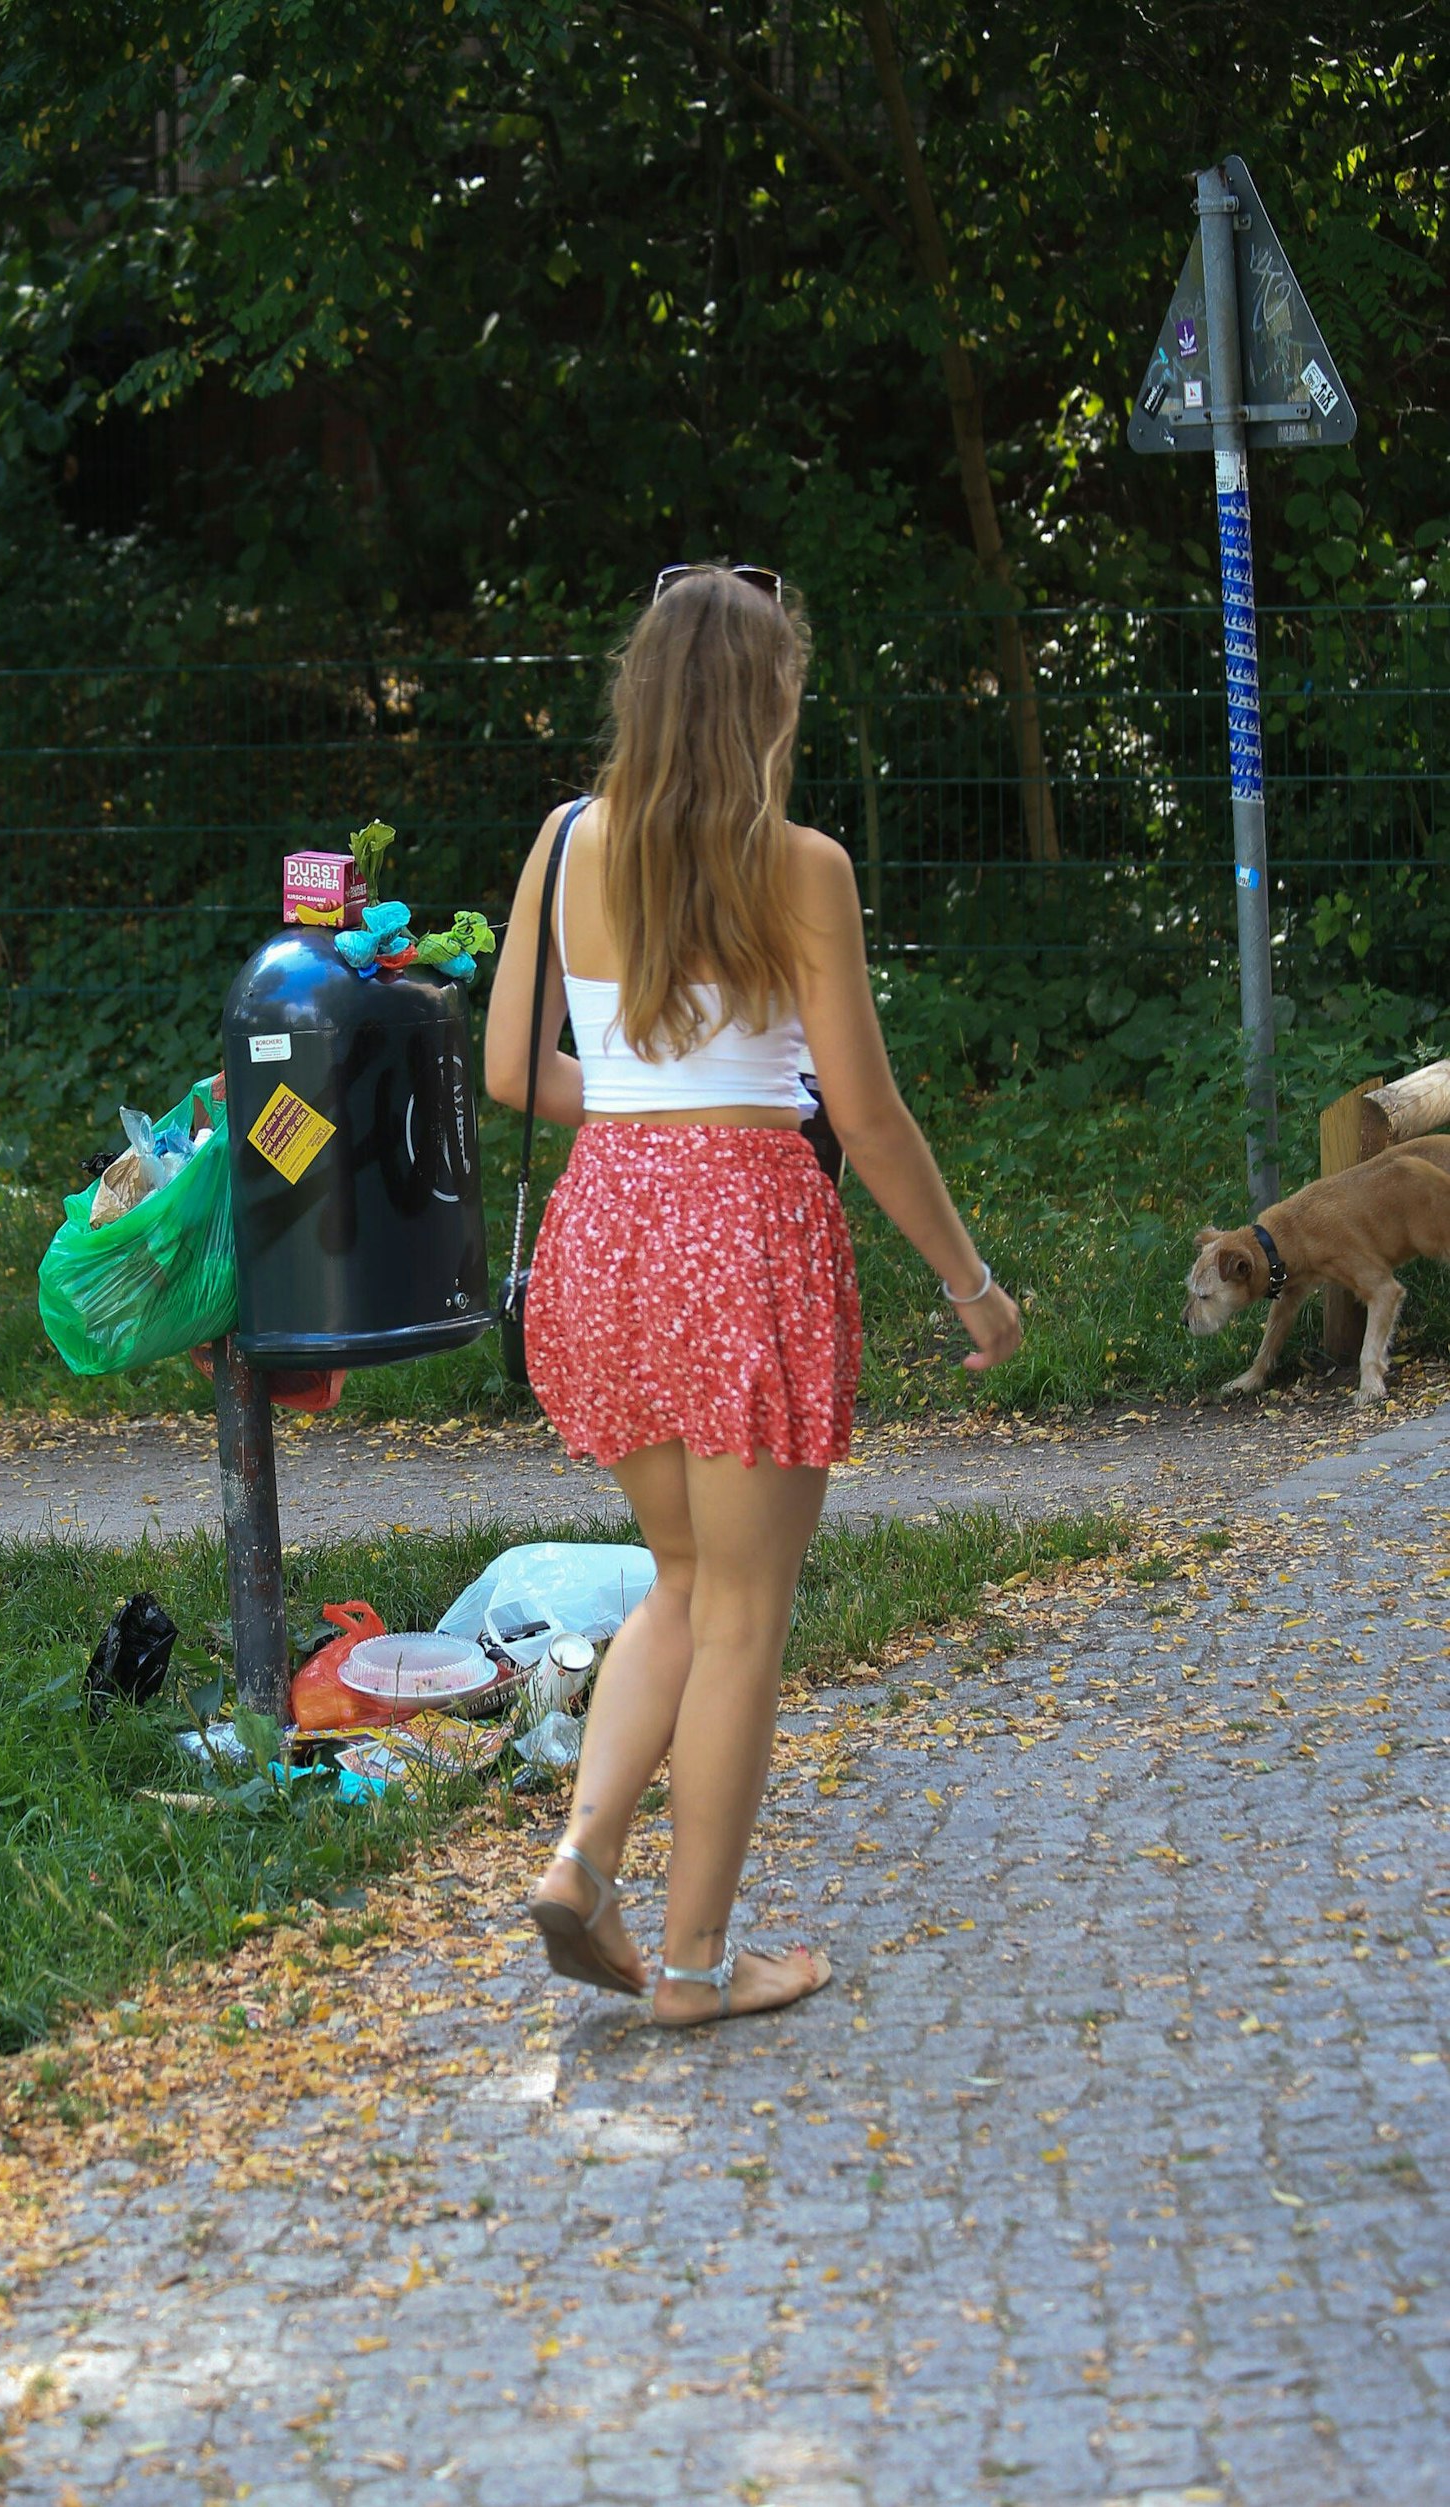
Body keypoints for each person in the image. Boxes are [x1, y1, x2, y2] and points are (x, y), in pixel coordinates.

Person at [483, 563, 1023, 2027]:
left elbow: (512, 1073)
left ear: (640, 693)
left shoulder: (560, 843)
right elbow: (868, 1113)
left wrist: (652, 1103)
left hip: (607, 1235)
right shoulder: (802, 867)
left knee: (681, 1579)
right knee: (745, 1618)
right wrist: (970, 1284)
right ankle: (702, 1968)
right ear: (771, 702)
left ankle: (584, 1862)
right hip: (743, 1240)